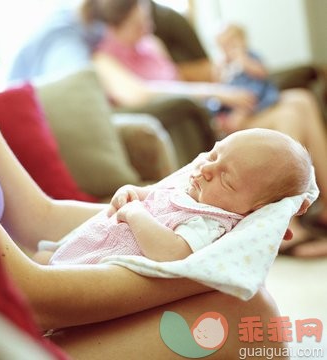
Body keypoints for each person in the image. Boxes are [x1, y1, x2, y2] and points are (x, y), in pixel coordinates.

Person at [0, 1, 292, 358]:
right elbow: (31, 295)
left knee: (245, 310)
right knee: (246, 315)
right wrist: (214, 264)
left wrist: (206, 223)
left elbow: (39, 216)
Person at [86, 0, 327, 258]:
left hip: (212, 109)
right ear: (115, 26)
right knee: (289, 116)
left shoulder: (152, 45)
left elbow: (180, 77)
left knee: (300, 100)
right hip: (206, 125)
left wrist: (233, 63)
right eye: (140, 22)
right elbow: (138, 94)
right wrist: (217, 93)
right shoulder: (103, 59)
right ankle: (284, 226)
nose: (149, 26)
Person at [34, 129, 312, 265]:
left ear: (252, 210)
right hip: (89, 244)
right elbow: (157, 195)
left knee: (40, 272)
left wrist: (135, 213)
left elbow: (171, 252)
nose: (206, 169)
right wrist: (134, 192)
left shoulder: (209, 222)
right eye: (213, 155)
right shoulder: (194, 190)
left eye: (226, 178)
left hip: (99, 267)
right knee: (41, 256)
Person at [210, 23, 280, 135]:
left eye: (231, 44)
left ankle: (237, 121)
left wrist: (244, 61)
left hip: (252, 92)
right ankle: (222, 121)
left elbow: (263, 73)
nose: (228, 49)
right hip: (231, 96)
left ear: (243, 41)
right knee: (215, 104)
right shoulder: (222, 64)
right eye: (223, 46)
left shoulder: (250, 56)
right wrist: (218, 70)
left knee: (244, 107)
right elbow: (218, 84)